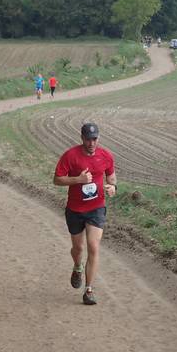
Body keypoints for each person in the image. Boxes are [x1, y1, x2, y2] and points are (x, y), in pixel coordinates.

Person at [53, 123, 117, 305]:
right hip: (75, 209)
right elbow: (56, 179)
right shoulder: (70, 156)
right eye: (88, 139)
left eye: (94, 139)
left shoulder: (105, 155)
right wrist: (78, 179)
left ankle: (88, 290)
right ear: (82, 138)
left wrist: (113, 186)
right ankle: (77, 266)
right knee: (78, 248)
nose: (91, 143)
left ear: (98, 138)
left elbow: (111, 176)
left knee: (93, 246)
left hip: (96, 208)